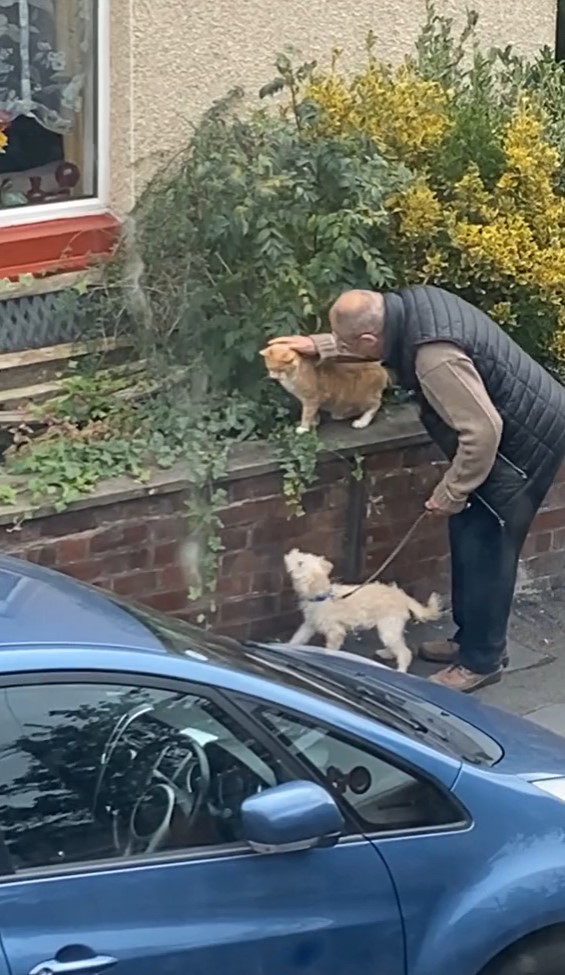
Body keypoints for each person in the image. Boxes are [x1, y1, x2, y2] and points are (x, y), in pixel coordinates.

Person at [270, 287, 565, 693]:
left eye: (345, 342)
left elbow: (483, 431)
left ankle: (482, 660)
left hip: (523, 447)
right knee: (467, 536)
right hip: (511, 434)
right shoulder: (406, 310)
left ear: (370, 338)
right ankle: (469, 641)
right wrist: (319, 347)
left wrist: (452, 490)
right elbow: (373, 344)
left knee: (486, 550)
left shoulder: (434, 355)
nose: (342, 348)